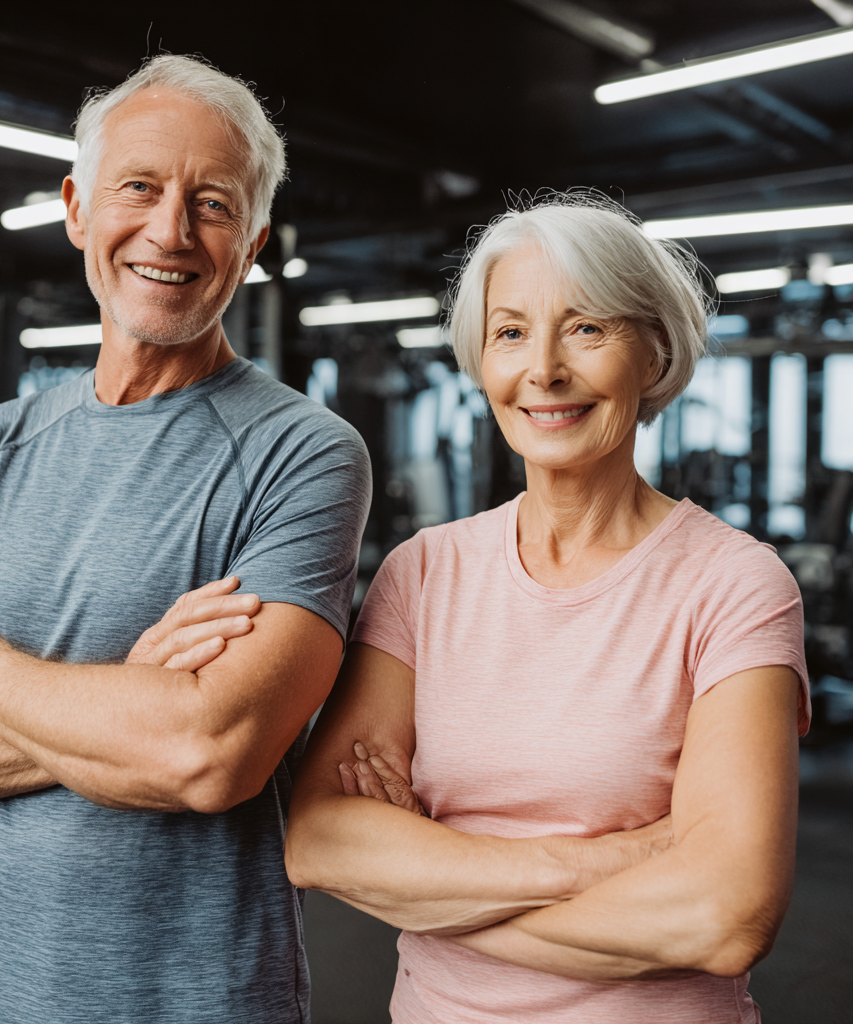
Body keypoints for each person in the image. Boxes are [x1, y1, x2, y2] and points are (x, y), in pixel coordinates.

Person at [0, 54, 370, 1024]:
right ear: (78, 208)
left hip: (205, 1004)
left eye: (212, 203)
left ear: (250, 243)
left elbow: (209, 753)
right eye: (140, 187)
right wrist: (136, 699)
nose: (170, 230)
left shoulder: (304, 452)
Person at [285, 195, 807, 1023]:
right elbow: (319, 840)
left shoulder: (735, 585)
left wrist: (427, 886)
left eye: (588, 328)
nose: (545, 370)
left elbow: (724, 916)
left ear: (655, 352)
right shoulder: (424, 575)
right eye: (511, 332)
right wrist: (621, 859)